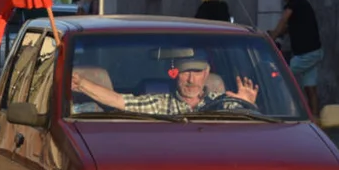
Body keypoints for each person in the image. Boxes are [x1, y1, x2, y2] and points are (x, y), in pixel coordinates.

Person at [70, 52, 258, 115]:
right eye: (185, 73)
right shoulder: (160, 103)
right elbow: (119, 101)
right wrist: (82, 84)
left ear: (207, 73)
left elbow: (252, 131)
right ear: (175, 74)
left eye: (197, 73)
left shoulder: (224, 103)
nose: (191, 80)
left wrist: (249, 104)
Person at [268, 0, 323, 115]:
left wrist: (271, 38)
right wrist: (275, 33)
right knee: (310, 89)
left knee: (280, 74)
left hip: (305, 54)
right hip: (314, 52)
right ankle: (315, 119)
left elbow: (283, 21)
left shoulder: (294, 3)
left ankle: (286, 112)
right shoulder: (302, 4)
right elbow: (290, 28)